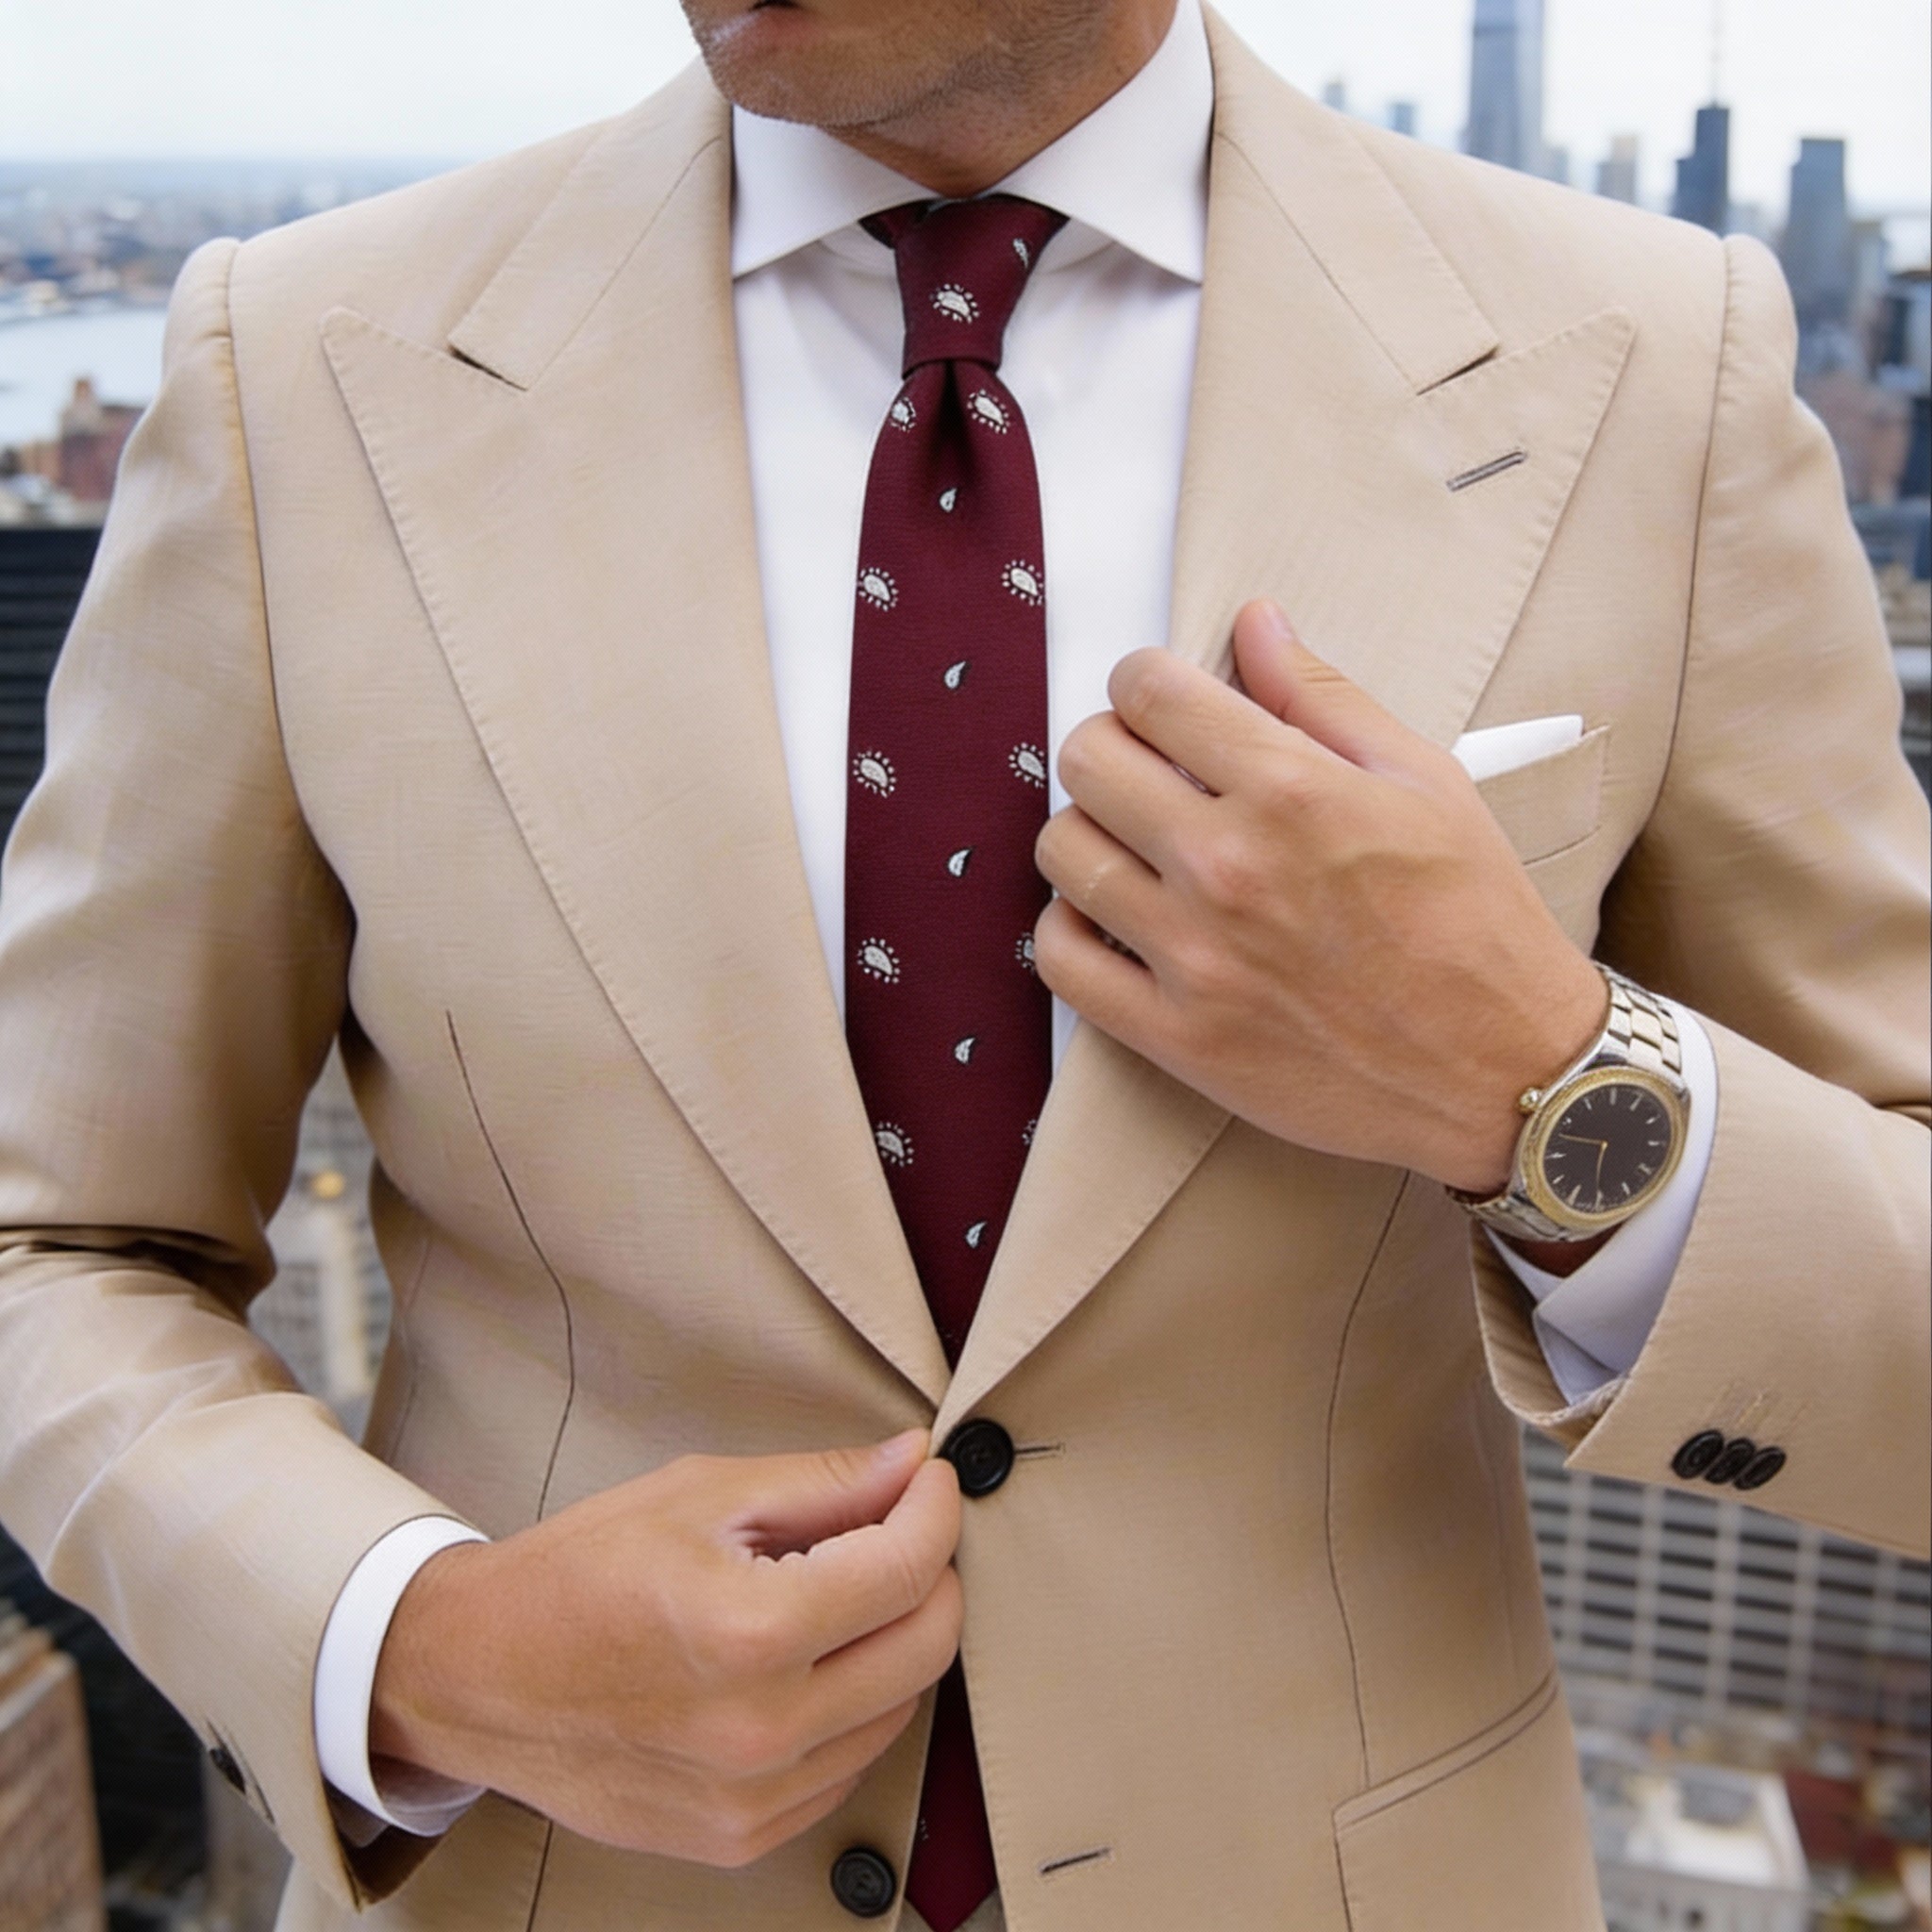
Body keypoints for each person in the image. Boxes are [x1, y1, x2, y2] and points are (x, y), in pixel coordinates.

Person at [0, 0, 1925, 1927]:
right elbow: (52, 1238)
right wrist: (412, 1645)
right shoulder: (301, 371)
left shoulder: (1662, 371)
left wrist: (1545, 1082)